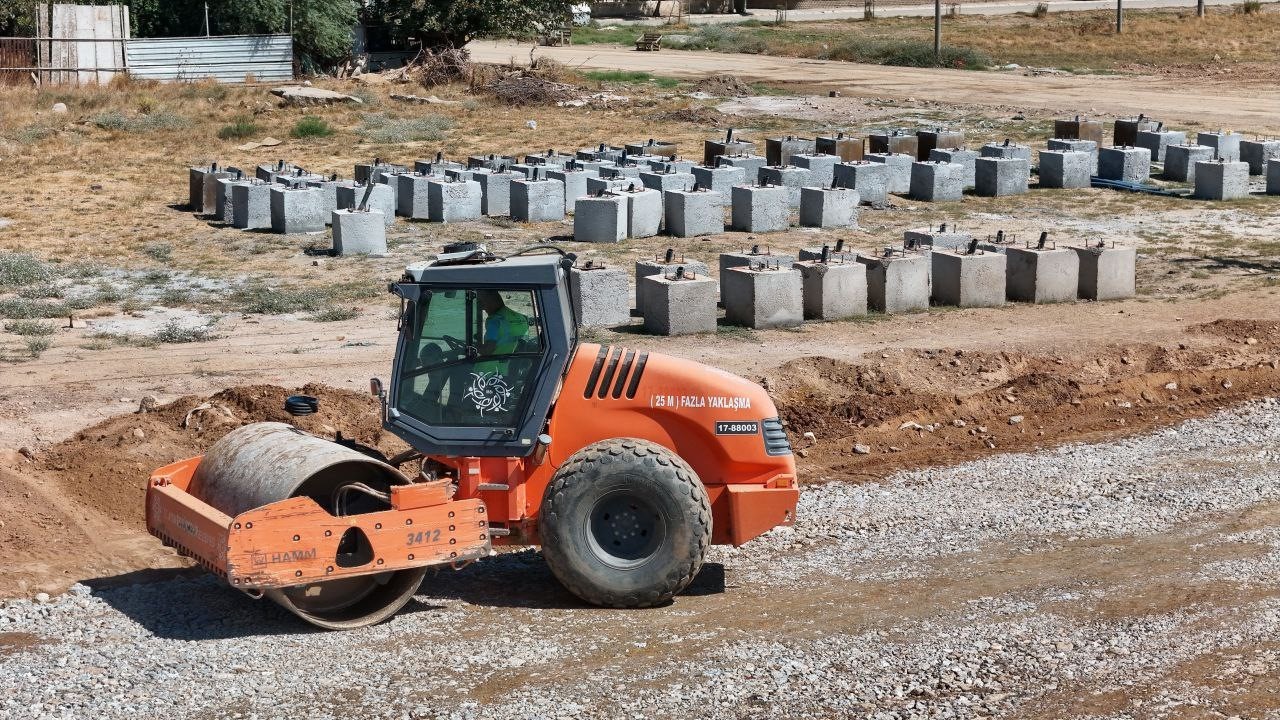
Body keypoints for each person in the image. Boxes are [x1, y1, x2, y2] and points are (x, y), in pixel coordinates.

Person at [475, 290, 529, 371]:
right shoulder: (521, 318)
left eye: (481, 302)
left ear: (491, 301)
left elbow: (488, 350)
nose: (482, 307)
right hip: (511, 369)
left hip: (490, 372)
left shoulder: (495, 320)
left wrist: (474, 348)